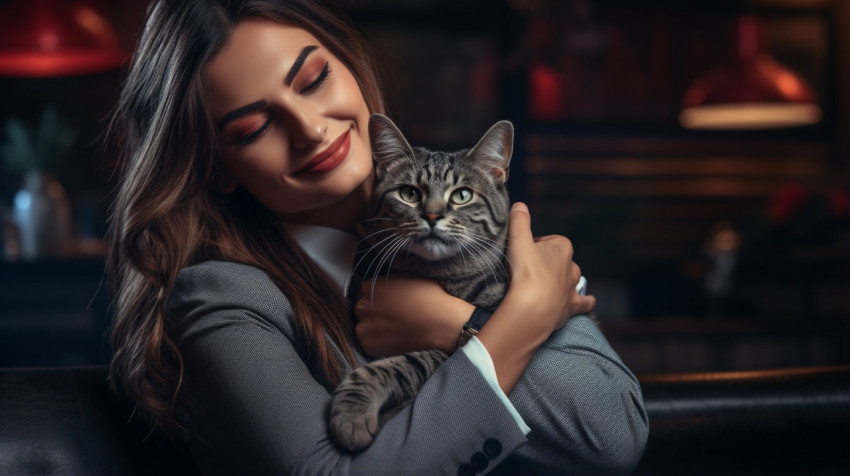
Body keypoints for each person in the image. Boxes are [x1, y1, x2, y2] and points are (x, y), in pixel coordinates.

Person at [107, 0, 648, 474]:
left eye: (314, 79)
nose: (310, 128)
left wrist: (456, 326)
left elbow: (613, 435)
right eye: (253, 128)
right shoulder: (221, 297)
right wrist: (517, 322)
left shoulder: (494, 242)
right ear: (217, 167)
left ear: (350, 66)